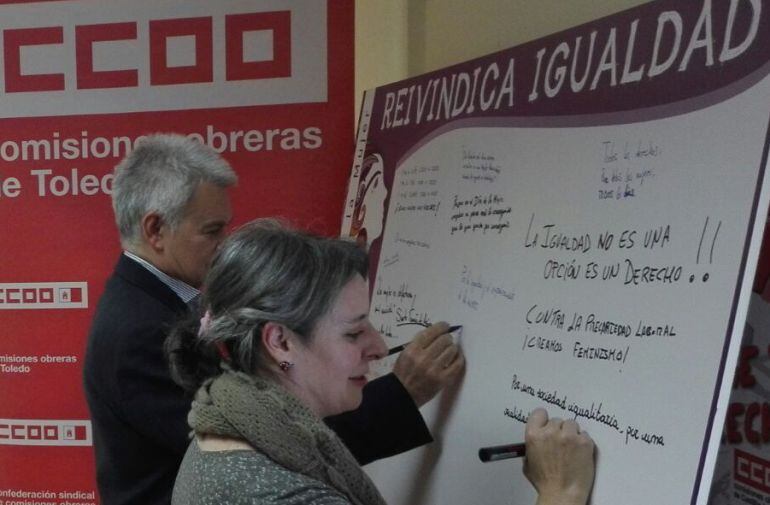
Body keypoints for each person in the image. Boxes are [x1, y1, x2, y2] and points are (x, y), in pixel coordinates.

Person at [82, 134, 465, 505]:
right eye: (212, 230)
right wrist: (402, 394)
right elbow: (272, 436)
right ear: (155, 230)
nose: (226, 244)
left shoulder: (158, 302)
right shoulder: (139, 331)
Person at [167, 219, 596, 505]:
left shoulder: (227, 425)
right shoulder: (279, 492)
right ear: (280, 342)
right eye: (354, 332)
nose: (378, 346)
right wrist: (562, 491)